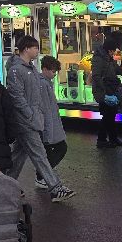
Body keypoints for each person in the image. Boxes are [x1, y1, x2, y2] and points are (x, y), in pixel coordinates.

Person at [6, 36, 75, 202]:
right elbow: (16, 96)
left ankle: (5, 184)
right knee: (40, 155)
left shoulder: (29, 69)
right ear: (26, 49)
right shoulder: (16, 70)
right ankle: (55, 188)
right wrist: (30, 114)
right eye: (35, 47)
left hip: (29, 120)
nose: (37, 50)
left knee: (17, 157)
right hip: (26, 121)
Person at [31, 56, 70, 188]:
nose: (54, 74)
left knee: (49, 152)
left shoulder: (44, 82)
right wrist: (48, 131)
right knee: (60, 148)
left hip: (47, 125)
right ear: (45, 69)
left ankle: (43, 176)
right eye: (53, 71)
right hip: (48, 126)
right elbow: (46, 109)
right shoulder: (43, 84)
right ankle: (42, 176)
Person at [90, 30, 122, 148]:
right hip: (104, 91)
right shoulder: (99, 59)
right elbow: (96, 76)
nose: (114, 52)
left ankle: (112, 139)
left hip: (110, 90)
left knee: (111, 115)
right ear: (109, 50)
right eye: (113, 50)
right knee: (108, 116)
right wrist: (104, 92)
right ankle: (102, 140)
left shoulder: (107, 58)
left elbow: (117, 70)